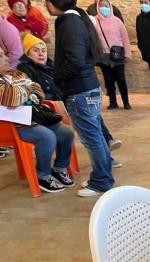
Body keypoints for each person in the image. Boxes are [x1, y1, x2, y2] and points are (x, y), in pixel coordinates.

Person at [18, 33, 124, 166]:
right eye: (35, 50)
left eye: (43, 50)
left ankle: (106, 152)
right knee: (88, 117)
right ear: (28, 54)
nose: (41, 54)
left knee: (91, 113)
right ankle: (106, 150)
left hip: (66, 100)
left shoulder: (52, 66)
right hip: (50, 107)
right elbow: (34, 94)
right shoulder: (25, 69)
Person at [45, 0, 114, 197]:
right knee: (96, 136)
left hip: (80, 91)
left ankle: (102, 181)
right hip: (86, 88)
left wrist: (59, 79)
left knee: (92, 139)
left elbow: (74, 59)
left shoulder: (69, 22)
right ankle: (102, 175)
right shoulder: (76, 18)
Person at [0, 46, 74, 193]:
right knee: (47, 137)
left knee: (66, 133)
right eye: (1, 56)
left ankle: (59, 168)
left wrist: (23, 93)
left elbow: (39, 92)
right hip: (12, 126)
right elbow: (10, 98)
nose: (7, 58)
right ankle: (43, 175)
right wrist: (26, 92)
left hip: (33, 117)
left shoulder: (14, 74)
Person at [93, 0, 132, 110]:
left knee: (121, 79)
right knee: (108, 80)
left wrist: (128, 54)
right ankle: (113, 102)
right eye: (101, 6)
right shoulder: (95, 21)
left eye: (106, 6)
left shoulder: (117, 21)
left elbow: (125, 38)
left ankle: (126, 102)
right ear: (97, 7)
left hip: (117, 54)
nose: (103, 8)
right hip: (104, 56)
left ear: (110, 7)